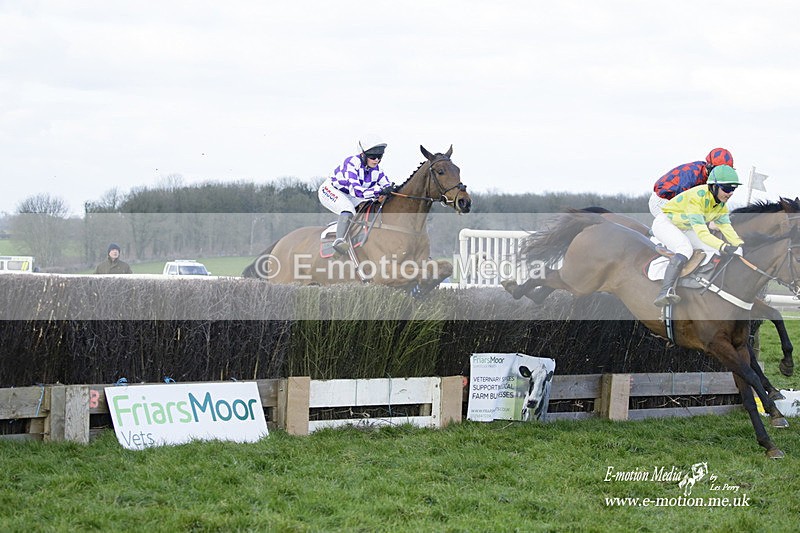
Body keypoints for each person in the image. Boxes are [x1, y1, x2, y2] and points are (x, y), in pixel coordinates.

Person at [651, 165, 744, 306]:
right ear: (714, 186)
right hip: (665, 223)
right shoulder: (696, 198)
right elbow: (702, 233)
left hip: (684, 227)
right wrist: (724, 246)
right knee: (685, 249)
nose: (730, 193)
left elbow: (727, 228)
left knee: (713, 250)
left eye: (733, 189)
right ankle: (665, 291)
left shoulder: (721, 206)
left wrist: (740, 245)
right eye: (726, 189)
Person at [318, 137, 394, 254]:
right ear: (363, 155)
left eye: (379, 157)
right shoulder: (351, 163)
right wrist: (379, 191)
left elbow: (387, 186)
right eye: (373, 157)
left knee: (368, 205)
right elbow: (357, 192)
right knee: (348, 209)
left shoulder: (377, 169)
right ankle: (339, 241)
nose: (376, 160)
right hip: (331, 190)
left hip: (350, 195)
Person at [649, 147, 735, 217]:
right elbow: (681, 202)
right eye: (719, 171)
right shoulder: (692, 175)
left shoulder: (708, 176)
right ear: (709, 166)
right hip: (662, 201)